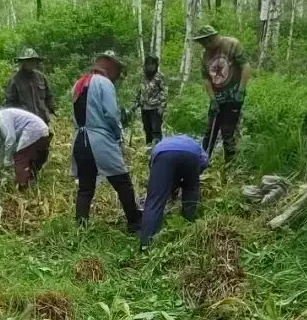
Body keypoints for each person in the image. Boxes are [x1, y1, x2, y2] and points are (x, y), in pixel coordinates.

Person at [70, 51, 142, 232]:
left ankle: (81, 228)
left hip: (80, 139)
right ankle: (134, 223)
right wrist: (118, 134)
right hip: (100, 140)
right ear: (110, 66)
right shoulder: (104, 83)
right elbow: (111, 114)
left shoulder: (78, 83)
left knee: (85, 188)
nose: (117, 77)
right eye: (117, 71)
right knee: (122, 182)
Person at [193, 24, 252, 164]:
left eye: (205, 42)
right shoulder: (205, 55)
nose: (204, 46)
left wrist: (241, 90)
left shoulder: (232, 44)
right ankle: (203, 161)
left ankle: (229, 166)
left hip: (233, 96)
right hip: (217, 97)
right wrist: (212, 99)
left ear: (211, 39)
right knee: (210, 131)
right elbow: (206, 79)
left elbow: (246, 67)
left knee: (227, 132)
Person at [139, 135, 208, 249]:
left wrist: (166, 186)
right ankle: (187, 229)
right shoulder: (194, 143)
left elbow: (153, 166)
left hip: (163, 155)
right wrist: (191, 179)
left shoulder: (162, 143)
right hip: (191, 155)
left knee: (154, 200)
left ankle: (146, 244)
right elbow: (204, 162)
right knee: (191, 190)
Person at [0, 106, 51, 188]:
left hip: (34, 131)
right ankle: (30, 184)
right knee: (31, 161)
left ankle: (23, 188)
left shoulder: (0, 117)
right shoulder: (0, 123)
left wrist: (7, 160)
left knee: (20, 159)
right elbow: (2, 147)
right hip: (42, 131)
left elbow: (11, 139)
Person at [4, 48, 56, 124]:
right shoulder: (15, 80)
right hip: (25, 121)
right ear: (23, 62)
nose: (32, 63)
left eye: (34, 60)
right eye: (29, 61)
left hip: (42, 120)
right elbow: (10, 103)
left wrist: (53, 111)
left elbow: (49, 96)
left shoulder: (41, 77)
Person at [134, 55, 167, 145]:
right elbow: (138, 89)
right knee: (147, 129)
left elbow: (164, 91)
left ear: (156, 65)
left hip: (156, 107)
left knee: (156, 130)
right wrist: (135, 102)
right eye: (148, 64)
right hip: (144, 107)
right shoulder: (142, 76)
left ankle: (158, 148)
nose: (150, 66)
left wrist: (162, 106)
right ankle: (148, 149)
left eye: (152, 64)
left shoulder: (159, 76)